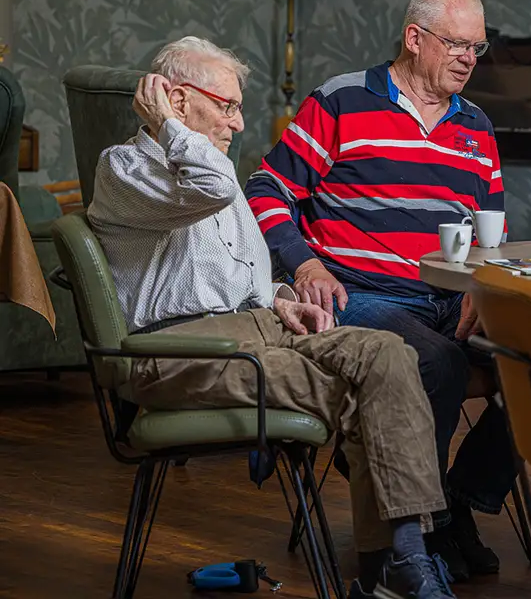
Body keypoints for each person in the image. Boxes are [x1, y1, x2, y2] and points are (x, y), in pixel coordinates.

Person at [87, 37, 455, 599]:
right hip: (182, 352)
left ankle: (400, 565)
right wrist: (166, 127)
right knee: (368, 393)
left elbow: (242, 267)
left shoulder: (216, 166)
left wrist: (282, 296)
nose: (238, 123)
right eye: (227, 105)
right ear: (177, 101)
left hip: (262, 328)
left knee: (390, 354)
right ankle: (398, 570)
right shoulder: (126, 168)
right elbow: (206, 187)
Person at [245, 0, 516, 582]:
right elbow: (266, 189)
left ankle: (456, 502)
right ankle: (426, 527)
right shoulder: (342, 102)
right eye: (456, 44)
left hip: (450, 298)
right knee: (441, 365)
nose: (469, 58)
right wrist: (304, 263)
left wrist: (478, 285)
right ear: (414, 38)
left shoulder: (477, 126)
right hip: (361, 294)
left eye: (478, 46)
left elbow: (490, 228)